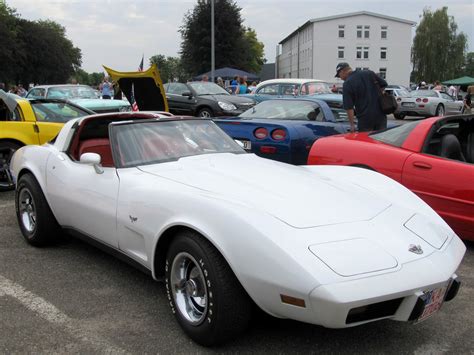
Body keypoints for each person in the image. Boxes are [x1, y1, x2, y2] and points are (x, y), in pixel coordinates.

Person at [335, 62, 388, 132]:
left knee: (366, 142)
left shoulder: (347, 84)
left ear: (342, 71)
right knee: (380, 141)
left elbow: (349, 107)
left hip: (365, 120)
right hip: (381, 117)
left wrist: (352, 125)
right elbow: (384, 84)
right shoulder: (369, 73)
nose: (340, 78)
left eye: (339, 76)